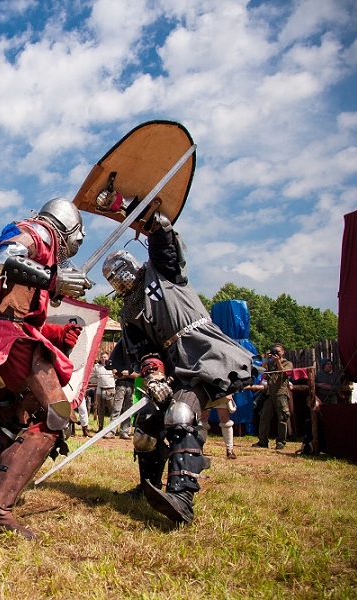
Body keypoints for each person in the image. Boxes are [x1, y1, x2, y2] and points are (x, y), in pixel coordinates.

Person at [0, 197, 91, 538]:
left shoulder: (36, 240)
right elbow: (1, 258)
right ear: (67, 227)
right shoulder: (37, 232)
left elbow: (13, 305)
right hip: (7, 343)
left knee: (12, 422)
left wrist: (56, 327)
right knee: (57, 414)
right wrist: (53, 280)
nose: (78, 245)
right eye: (79, 237)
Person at [102, 213, 256, 524]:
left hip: (204, 353)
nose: (119, 278)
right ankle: (147, 486)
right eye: (112, 277)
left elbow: (165, 249)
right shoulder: (129, 313)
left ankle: (182, 496)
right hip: (176, 365)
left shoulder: (162, 273)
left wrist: (157, 226)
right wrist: (154, 375)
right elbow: (146, 351)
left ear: (132, 265)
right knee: (145, 429)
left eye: (121, 270)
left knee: (181, 414)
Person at [252, 343, 293, 450]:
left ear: (283, 352)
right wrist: (266, 359)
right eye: (274, 351)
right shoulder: (271, 364)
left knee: (282, 418)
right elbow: (262, 369)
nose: (276, 354)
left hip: (281, 394)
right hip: (270, 394)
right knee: (264, 417)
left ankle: (281, 442)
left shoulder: (287, 363)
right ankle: (263, 441)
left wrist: (278, 361)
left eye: (278, 352)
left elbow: (285, 374)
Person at [89, 351, 115, 438]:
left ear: (108, 357)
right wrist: (98, 381)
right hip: (100, 389)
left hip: (110, 389)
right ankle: (100, 427)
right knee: (100, 409)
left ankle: (113, 429)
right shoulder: (97, 367)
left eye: (105, 357)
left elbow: (117, 376)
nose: (103, 359)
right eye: (102, 357)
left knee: (112, 410)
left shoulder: (112, 366)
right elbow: (91, 377)